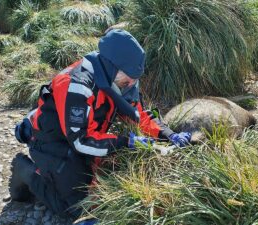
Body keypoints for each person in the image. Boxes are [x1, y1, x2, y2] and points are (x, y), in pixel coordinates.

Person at [10, 29, 191, 217]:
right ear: (113, 67)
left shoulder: (117, 81)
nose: (131, 84)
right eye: (128, 79)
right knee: (77, 210)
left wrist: (168, 135)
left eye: (134, 80)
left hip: (80, 134)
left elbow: (137, 114)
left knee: (94, 184)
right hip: (54, 140)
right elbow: (81, 141)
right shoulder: (77, 85)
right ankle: (27, 171)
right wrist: (125, 142)